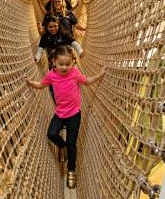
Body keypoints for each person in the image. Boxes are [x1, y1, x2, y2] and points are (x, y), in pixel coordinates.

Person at [25, 45, 106, 189]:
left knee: (72, 144)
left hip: (74, 114)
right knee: (51, 134)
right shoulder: (51, 75)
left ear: (72, 63)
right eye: (61, 64)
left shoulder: (74, 73)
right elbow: (41, 85)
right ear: (53, 62)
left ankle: (71, 170)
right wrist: (30, 83)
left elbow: (86, 82)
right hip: (60, 114)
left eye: (68, 64)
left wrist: (99, 76)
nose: (64, 67)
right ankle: (61, 145)